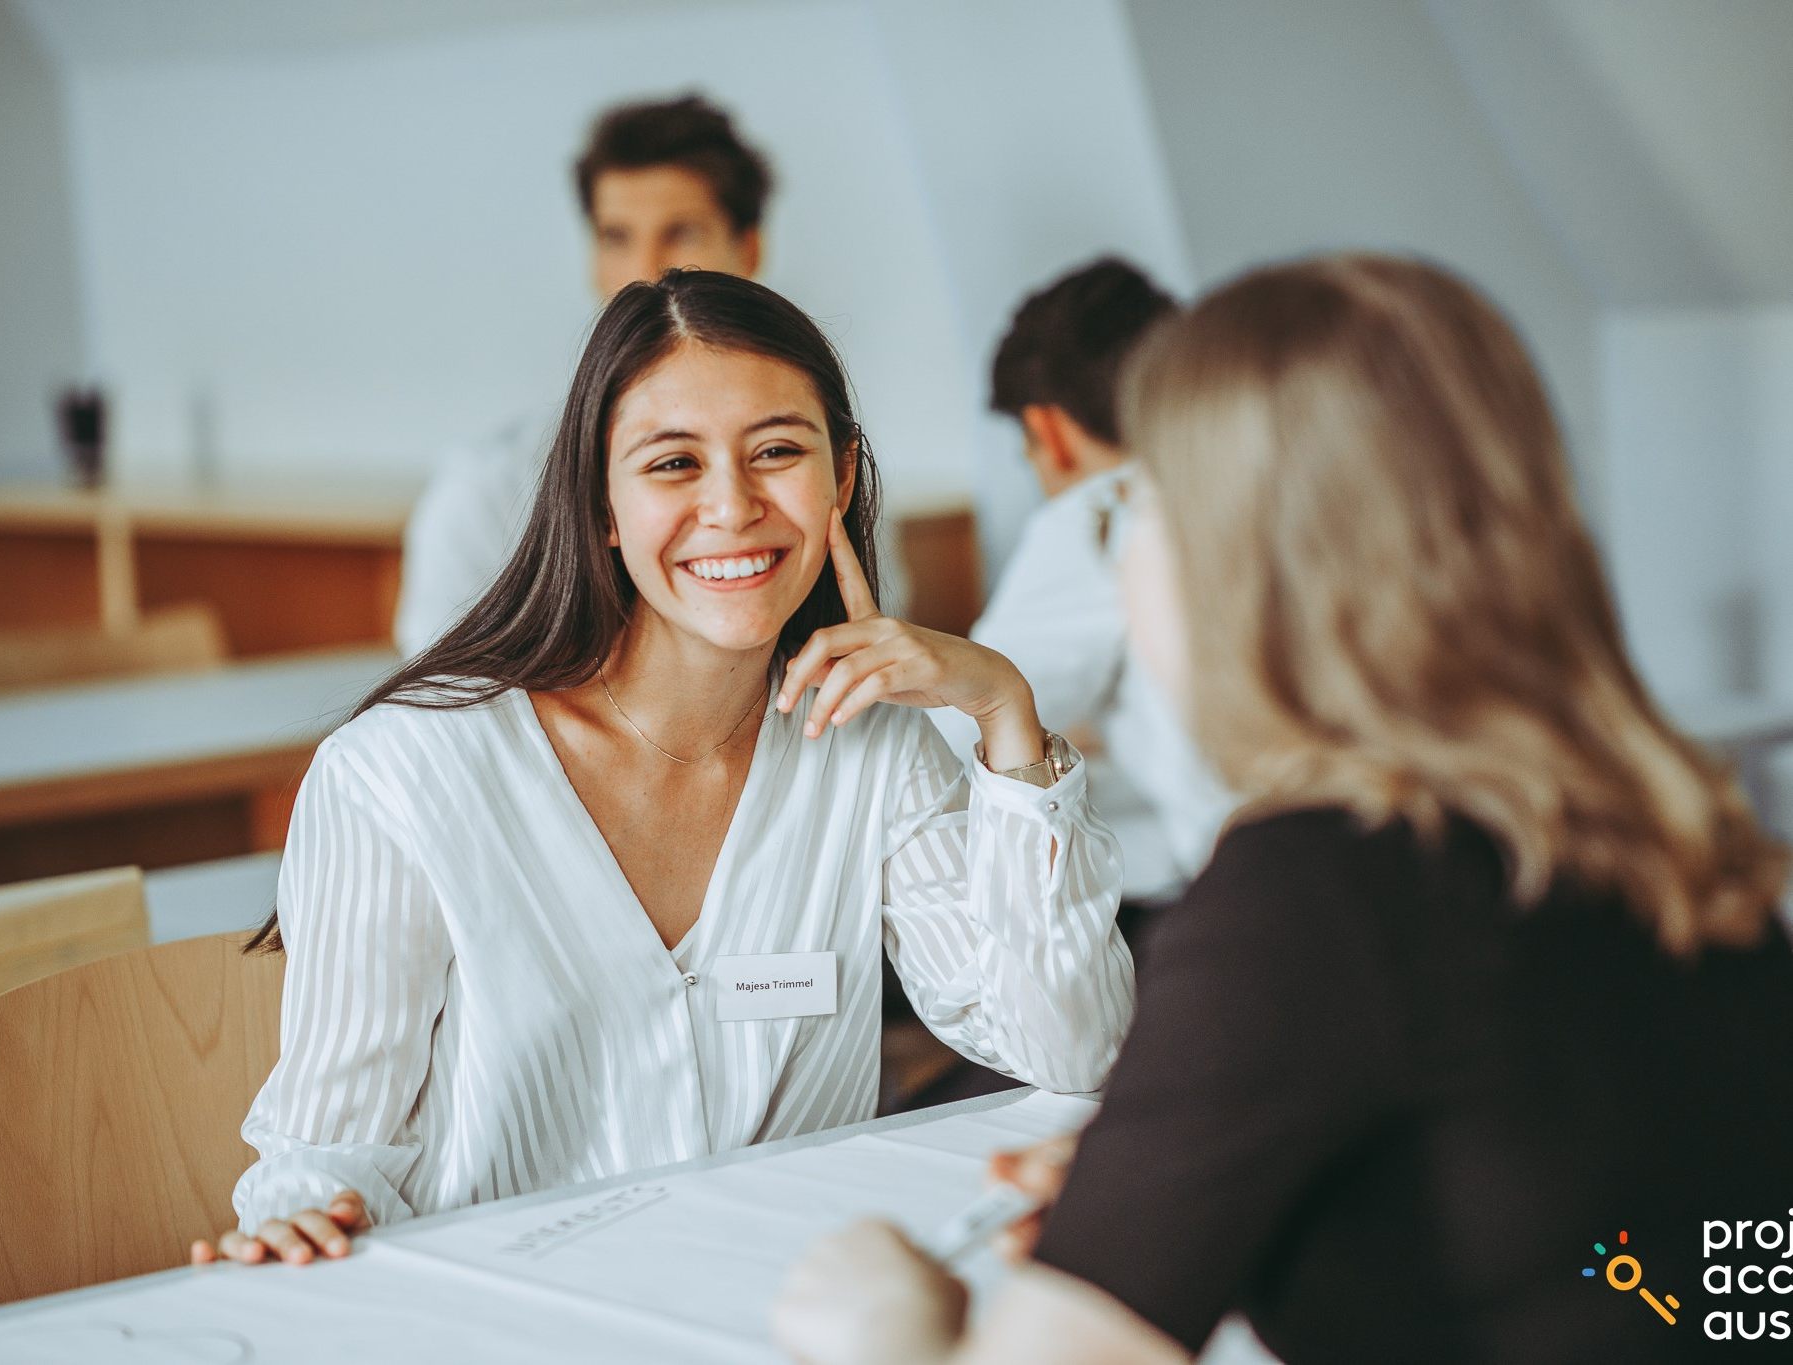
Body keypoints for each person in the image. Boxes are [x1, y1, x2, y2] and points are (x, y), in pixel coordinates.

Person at [773, 254, 1793, 1364]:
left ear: (1241, 562)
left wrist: (887, 1334)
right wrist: (1322, 1197)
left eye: (1140, 510)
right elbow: (1690, 1283)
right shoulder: (1690, 844)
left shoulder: (1310, 894)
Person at [191, 270, 1133, 1268]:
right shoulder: (402, 773)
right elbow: (326, 1155)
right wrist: (294, 1226)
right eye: (672, 464)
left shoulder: (872, 748)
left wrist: (1001, 709)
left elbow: (1073, 1050)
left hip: (776, 1316)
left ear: (841, 480)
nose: (731, 507)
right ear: (599, 502)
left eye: (776, 452)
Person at [393, 94, 772, 654]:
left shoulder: (810, 479)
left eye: (682, 233)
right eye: (616, 238)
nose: (646, 273)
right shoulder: (485, 488)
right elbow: (439, 699)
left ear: (748, 251)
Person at [937, 258, 1230, 914]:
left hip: (1251, 882)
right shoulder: (1251, 477)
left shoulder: (1104, 510)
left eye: (1029, 456)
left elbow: (961, 732)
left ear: (1050, 431)